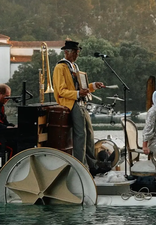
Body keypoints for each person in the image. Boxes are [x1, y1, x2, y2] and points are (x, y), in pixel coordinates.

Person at [53, 40, 111, 176]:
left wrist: (93, 86)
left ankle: (92, 164)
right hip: (70, 103)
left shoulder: (75, 66)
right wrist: (78, 93)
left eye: (77, 52)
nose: (76, 55)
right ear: (66, 52)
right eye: (74, 52)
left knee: (89, 134)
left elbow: (80, 87)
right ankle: (81, 166)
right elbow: (61, 91)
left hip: (81, 102)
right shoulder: (60, 67)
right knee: (80, 135)